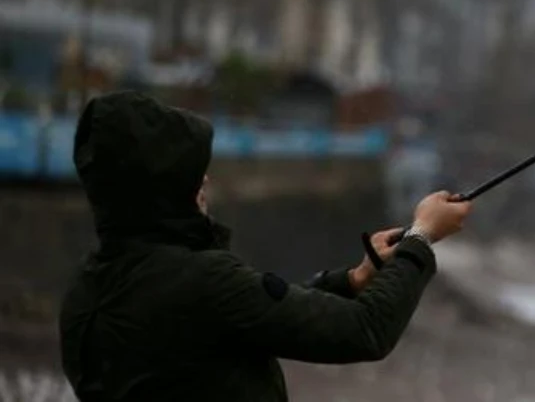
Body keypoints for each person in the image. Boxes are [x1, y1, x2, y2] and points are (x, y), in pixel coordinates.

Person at [57, 90, 473, 401]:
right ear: (159, 187)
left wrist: (351, 280)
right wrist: (421, 236)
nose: (204, 182)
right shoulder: (205, 282)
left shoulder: (86, 290)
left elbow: (245, 320)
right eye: (190, 173)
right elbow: (364, 330)